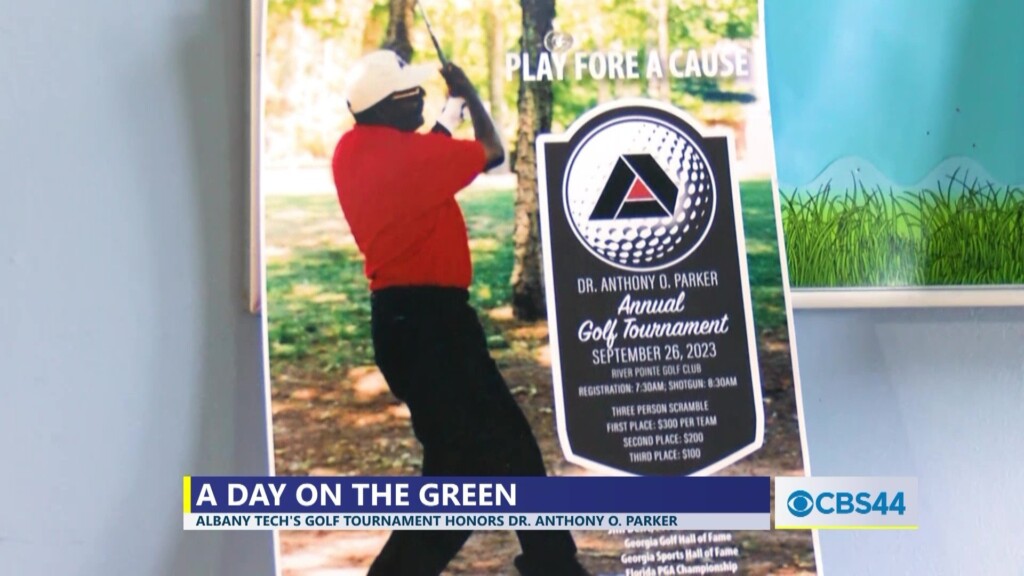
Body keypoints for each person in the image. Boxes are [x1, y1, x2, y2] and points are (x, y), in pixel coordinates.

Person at [331, 50, 591, 576]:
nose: (421, 99)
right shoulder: (411, 158)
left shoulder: (353, 151)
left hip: (402, 324)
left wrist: (450, 108)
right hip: (436, 327)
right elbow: (492, 151)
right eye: (412, 94)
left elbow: (427, 150)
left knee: (484, 455)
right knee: (474, 466)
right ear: (386, 107)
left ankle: (553, 563)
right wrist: (469, 93)